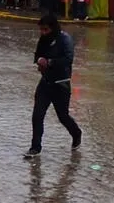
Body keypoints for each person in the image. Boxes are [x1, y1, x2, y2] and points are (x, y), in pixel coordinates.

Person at [25, 14, 82, 158]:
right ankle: (35, 147)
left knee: (62, 116)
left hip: (61, 84)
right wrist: (39, 60)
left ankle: (76, 133)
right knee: (37, 115)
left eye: (45, 29)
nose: (43, 33)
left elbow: (68, 60)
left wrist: (49, 62)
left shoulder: (65, 40)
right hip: (45, 83)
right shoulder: (43, 40)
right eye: (41, 30)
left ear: (53, 28)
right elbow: (37, 54)